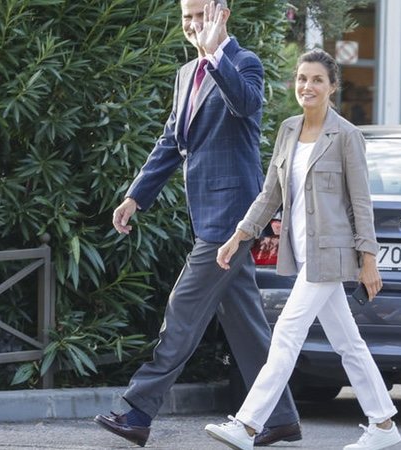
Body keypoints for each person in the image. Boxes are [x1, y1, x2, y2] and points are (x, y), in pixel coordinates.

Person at [93, 0, 300, 447]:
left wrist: (214, 54)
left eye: (200, 16)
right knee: (245, 324)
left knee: (182, 313)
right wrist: (135, 196)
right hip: (207, 213)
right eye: (186, 17)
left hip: (232, 219)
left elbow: (244, 106)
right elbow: (172, 139)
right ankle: (280, 415)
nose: (191, 25)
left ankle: (137, 411)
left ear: (221, 14)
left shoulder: (244, 64)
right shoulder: (187, 74)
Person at [204, 49, 400, 450]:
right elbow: (269, 194)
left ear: (332, 88)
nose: (307, 87)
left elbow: (361, 203)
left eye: (316, 80)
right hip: (303, 253)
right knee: (348, 343)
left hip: (330, 255)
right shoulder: (289, 130)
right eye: (301, 79)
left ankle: (248, 424)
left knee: (288, 334)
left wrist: (369, 260)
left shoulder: (346, 136)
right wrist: (238, 236)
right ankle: (382, 424)